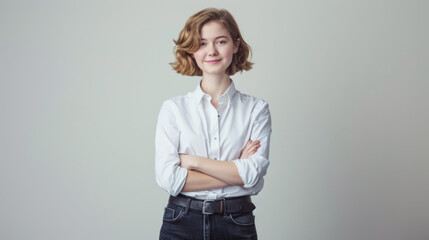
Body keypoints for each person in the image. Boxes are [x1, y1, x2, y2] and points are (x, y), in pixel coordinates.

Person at [155, 8, 272, 240]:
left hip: (236, 222)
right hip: (181, 220)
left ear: (235, 45)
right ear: (192, 51)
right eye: (202, 43)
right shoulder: (174, 109)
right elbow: (168, 179)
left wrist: (193, 162)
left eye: (220, 41)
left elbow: (254, 178)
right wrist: (235, 169)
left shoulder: (256, 109)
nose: (212, 51)